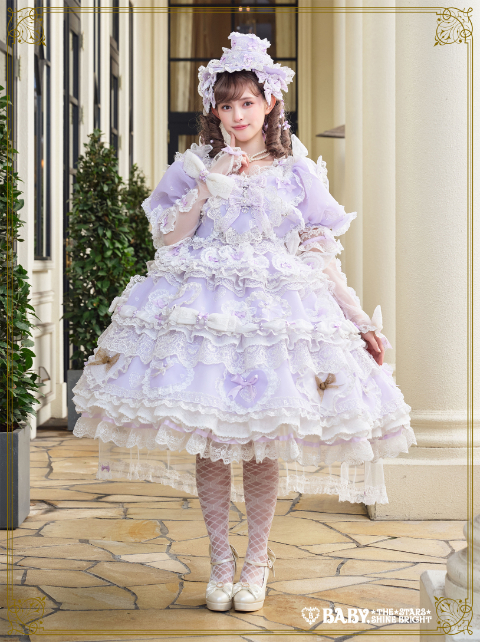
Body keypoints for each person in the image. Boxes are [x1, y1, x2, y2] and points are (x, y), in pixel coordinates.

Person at [72, 32, 416, 613]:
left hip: (275, 321)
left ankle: (256, 560)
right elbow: (168, 238)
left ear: (269, 103)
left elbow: (319, 254)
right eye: (226, 104)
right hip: (205, 318)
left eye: (248, 102)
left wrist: (358, 319)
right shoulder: (193, 167)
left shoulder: (295, 172)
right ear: (213, 109)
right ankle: (221, 562)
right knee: (208, 443)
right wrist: (210, 182)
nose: (237, 115)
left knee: (262, 446)